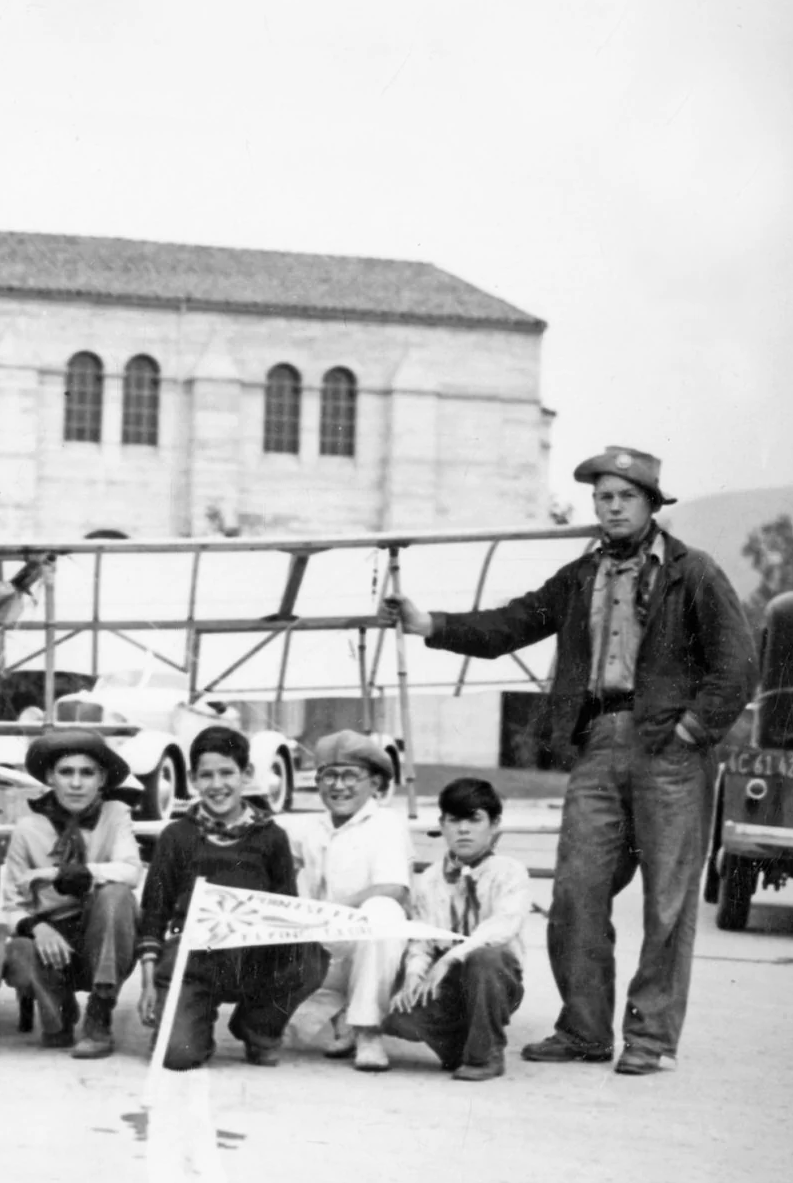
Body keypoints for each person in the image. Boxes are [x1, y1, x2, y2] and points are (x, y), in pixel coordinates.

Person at [389, 446, 754, 1076]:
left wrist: (694, 729)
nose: (611, 507)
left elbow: (738, 663)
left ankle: (650, 1039)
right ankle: (585, 1030)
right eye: (602, 497)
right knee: (576, 892)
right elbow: (510, 624)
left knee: (668, 901)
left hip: (671, 750)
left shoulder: (693, 573)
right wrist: (431, 623)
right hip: (598, 743)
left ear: (651, 504)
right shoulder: (578, 576)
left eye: (625, 497)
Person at [136, 727, 323, 1070]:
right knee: (177, 1056)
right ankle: (193, 1021)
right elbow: (154, 910)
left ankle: (258, 1027)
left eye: (227, 773)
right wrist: (148, 982)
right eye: (206, 775)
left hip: (253, 954)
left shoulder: (271, 837)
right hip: (193, 959)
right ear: (192, 779)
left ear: (247, 774)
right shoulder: (177, 836)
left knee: (310, 952)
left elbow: (286, 907)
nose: (216, 784)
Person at [0, 729, 142, 1058]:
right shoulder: (28, 829)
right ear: (51, 777)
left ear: (102, 779)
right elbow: (11, 906)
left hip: (105, 936)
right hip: (54, 941)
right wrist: (37, 927)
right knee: (20, 951)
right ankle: (60, 1014)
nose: (76, 783)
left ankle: (100, 1014)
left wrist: (64, 874)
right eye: (66, 772)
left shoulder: (115, 814)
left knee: (116, 895)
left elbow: (131, 871)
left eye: (87, 773)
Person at [384, 777, 529, 1081]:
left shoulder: (509, 871)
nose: (463, 829)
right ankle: (460, 1046)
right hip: (446, 980)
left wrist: (451, 958)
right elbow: (421, 940)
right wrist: (413, 978)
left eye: (474, 819)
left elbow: (502, 926)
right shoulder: (430, 879)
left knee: (485, 958)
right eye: (454, 820)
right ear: (443, 824)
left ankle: (485, 1055)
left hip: (493, 978)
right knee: (398, 1012)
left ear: (494, 824)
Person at [291, 731, 414, 1072]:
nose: (338, 786)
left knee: (382, 911)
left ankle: (368, 1030)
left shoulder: (387, 824)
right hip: (321, 950)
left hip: (371, 951)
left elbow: (394, 889)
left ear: (375, 782)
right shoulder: (310, 827)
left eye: (350, 776)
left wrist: (336, 910)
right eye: (329, 775)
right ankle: (341, 1017)